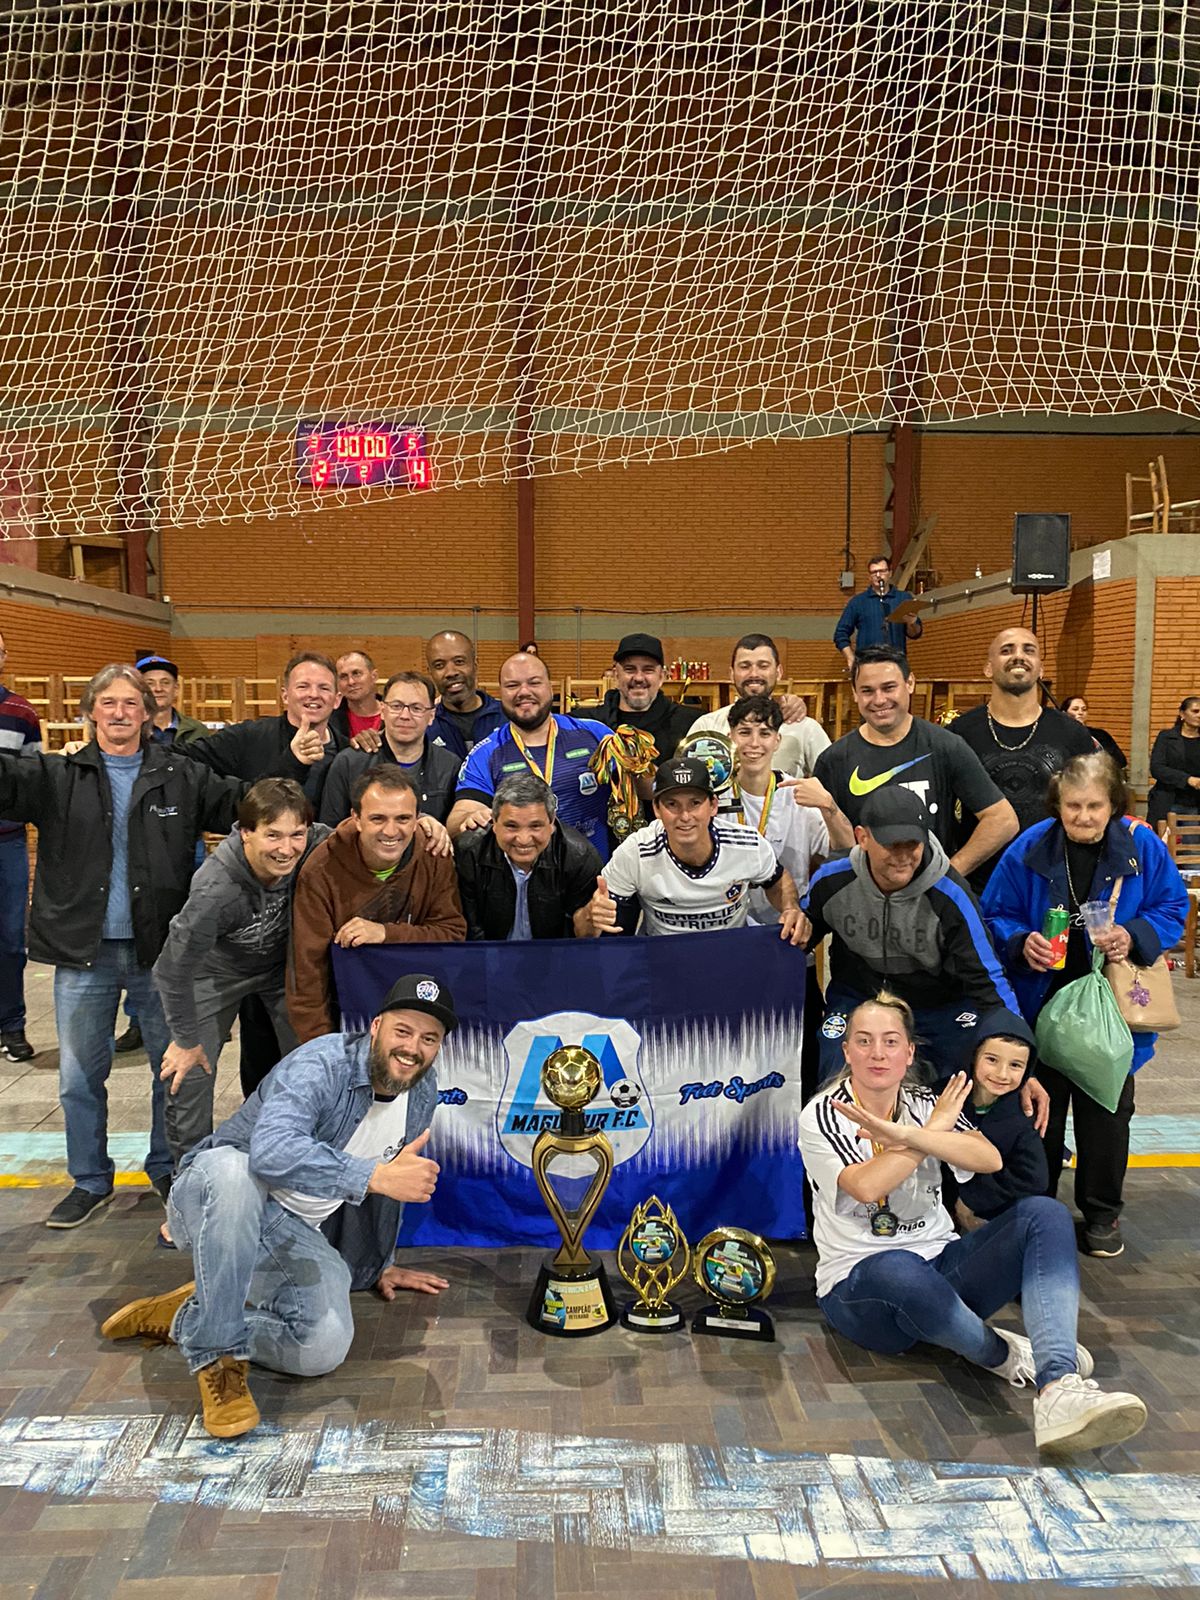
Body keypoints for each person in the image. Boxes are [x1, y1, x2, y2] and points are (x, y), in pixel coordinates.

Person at [0, 664, 305, 1230]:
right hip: (83, 953)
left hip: (159, 952)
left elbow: (250, 805)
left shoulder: (181, 776)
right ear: (90, 712)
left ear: (147, 712)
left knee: (176, 1072)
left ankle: (167, 1169)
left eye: (130, 703)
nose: (120, 712)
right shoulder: (57, 775)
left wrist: (295, 763)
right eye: (108, 703)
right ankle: (89, 1180)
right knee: (79, 1079)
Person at [100, 973, 454, 1439]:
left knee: (322, 1347)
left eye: (429, 1039)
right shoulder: (320, 1064)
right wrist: (372, 1176)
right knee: (234, 1171)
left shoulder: (422, 1091)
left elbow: (391, 1179)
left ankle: (191, 1314)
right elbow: (270, 1153)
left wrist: (377, 1263)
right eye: (402, 1031)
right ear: (375, 1027)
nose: (412, 1048)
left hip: (287, 1229)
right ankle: (219, 1359)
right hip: (214, 1196)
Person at [799, 992, 1147, 1453]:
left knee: (1044, 1214)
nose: (877, 1053)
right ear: (846, 1051)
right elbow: (866, 1186)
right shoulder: (824, 1113)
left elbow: (987, 1158)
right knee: (897, 1267)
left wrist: (909, 1133)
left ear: (909, 1053)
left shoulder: (927, 1101)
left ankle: (1057, 1385)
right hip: (861, 1291)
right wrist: (930, 1136)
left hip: (942, 1266)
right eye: (863, 1041)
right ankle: (1001, 1354)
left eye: (890, 1041)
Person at [982, 751, 1189, 1258]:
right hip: (1042, 1005)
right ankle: (1037, 1212)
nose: (1083, 817)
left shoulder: (1141, 845)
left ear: (1113, 804)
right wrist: (1020, 941)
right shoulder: (1031, 845)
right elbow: (995, 912)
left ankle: (1102, 1214)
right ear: (1057, 805)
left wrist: (1134, 935)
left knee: (1107, 1119)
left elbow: (1173, 907)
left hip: (1111, 1010)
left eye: (1094, 806)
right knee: (1039, 1117)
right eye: (1073, 806)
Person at [153, 778, 329, 1166]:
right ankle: (188, 1176)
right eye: (273, 835)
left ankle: (305, 1159)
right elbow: (171, 969)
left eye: (296, 835)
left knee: (315, 1060)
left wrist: (423, 825)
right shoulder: (215, 889)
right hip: (215, 974)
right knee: (189, 1073)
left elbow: (364, 834)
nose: (287, 849)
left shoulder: (318, 840)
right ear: (246, 832)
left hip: (280, 969)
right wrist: (185, 1039)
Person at [800, 787, 1025, 1081]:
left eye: (912, 844)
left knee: (961, 1077)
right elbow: (803, 930)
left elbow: (987, 977)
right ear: (862, 837)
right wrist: (797, 920)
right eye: (892, 845)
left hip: (938, 1006)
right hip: (859, 996)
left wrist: (1019, 1048)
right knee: (835, 1069)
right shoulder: (832, 880)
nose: (903, 856)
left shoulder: (951, 895)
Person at [289, 768, 466, 1042]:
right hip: (346, 1012)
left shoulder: (434, 854)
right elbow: (308, 974)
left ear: (418, 819)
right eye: (378, 819)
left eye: (403, 818)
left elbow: (452, 933)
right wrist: (319, 1047)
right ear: (356, 818)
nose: (391, 831)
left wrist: (385, 933)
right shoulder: (320, 870)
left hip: (419, 1006)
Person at [815, 646, 1018, 877]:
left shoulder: (945, 746)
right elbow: (820, 842)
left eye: (889, 688)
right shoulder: (833, 760)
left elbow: (1003, 820)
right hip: (862, 893)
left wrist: (948, 876)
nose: (879, 700)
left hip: (928, 893)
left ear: (910, 683)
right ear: (854, 693)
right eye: (867, 691)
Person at [588, 756, 806, 941]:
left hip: (731, 952)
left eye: (695, 803)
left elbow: (777, 879)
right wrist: (593, 915)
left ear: (713, 806)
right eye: (672, 804)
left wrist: (790, 908)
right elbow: (593, 924)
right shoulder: (635, 852)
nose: (685, 816)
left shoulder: (748, 843)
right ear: (656, 809)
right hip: (662, 958)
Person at [949, 629, 1094, 889]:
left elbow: (1094, 808)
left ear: (1041, 669)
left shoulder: (1073, 734)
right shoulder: (959, 733)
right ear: (988, 668)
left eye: (1029, 650)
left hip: (1052, 884)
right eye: (1007, 650)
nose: (1018, 656)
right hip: (978, 884)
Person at [448, 652, 614, 856]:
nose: (524, 692)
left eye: (534, 683)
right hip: (520, 872)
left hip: (594, 869)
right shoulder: (486, 753)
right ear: (500, 693)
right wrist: (472, 817)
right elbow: (457, 819)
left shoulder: (596, 734)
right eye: (512, 685)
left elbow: (639, 788)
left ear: (550, 688)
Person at [177, 650, 347, 812]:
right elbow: (178, 759)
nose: (314, 694)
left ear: (337, 700)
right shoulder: (248, 737)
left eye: (324, 688)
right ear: (285, 696)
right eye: (303, 686)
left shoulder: (348, 752)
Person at [455, 772, 602, 939]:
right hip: (486, 953)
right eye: (512, 826)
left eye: (535, 826)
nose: (523, 840)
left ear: (551, 823)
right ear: (494, 822)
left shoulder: (580, 857)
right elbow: (470, 933)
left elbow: (582, 938)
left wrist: (590, 920)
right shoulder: (468, 853)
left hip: (555, 954)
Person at [940, 1008, 1050, 1230]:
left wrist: (971, 1200)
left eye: (1015, 1065)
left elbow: (1033, 1177)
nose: (1002, 1074)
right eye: (992, 1059)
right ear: (973, 1056)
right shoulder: (939, 1097)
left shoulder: (1022, 1114)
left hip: (990, 1213)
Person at [320, 672, 461, 827]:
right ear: (382, 710)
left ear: (431, 716)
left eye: (416, 708)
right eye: (396, 706)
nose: (405, 715)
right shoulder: (349, 763)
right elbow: (330, 831)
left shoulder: (450, 766)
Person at [688, 633, 830, 778]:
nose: (754, 674)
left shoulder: (805, 728)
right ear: (732, 674)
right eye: (745, 666)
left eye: (763, 666)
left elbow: (832, 781)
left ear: (778, 672)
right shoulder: (707, 727)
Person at [0, 630, 41, 1064]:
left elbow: (34, 778)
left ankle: (12, 1025)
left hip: (7, 844)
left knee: (11, 940)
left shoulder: (21, 712)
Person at [591, 632, 702, 766]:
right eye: (630, 669)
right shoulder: (590, 726)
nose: (638, 678)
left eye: (648, 670)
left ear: (662, 677)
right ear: (616, 675)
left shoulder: (691, 725)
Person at [834, 554, 924, 670]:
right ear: (869, 577)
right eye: (873, 572)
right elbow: (840, 634)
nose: (878, 575)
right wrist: (850, 658)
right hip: (867, 665)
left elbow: (915, 634)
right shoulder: (858, 602)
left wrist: (912, 623)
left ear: (890, 573)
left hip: (897, 665)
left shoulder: (903, 598)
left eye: (882, 571)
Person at [425, 630, 505, 759]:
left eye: (459, 662)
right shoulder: (424, 726)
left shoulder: (508, 718)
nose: (451, 672)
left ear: (475, 665)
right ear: (430, 673)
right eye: (439, 665)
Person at [1147, 694, 1200, 832]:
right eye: (1195, 711)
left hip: (1195, 805)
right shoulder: (1167, 737)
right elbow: (1157, 768)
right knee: (1162, 842)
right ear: (1182, 714)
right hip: (1168, 801)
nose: (1199, 715)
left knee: (1191, 844)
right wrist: (1187, 779)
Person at [135, 655, 210, 746]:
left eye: (165, 683)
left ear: (176, 689)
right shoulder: (130, 729)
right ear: (138, 690)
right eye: (150, 683)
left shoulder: (196, 730)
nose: (158, 689)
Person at [1062, 694, 1126, 770]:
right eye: (1075, 709)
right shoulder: (1059, 737)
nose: (1080, 712)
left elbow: (1120, 760)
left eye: (1084, 709)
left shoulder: (1100, 734)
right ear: (1064, 713)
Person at [329, 650, 382, 741]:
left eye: (356, 673)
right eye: (343, 676)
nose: (351, 682)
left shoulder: (396, 714)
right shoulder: (329, 721)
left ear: (374, 676)